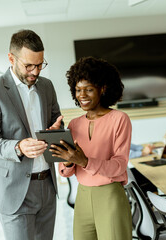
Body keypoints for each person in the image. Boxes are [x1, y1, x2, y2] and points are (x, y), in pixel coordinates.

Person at [0, 29, 63, 240]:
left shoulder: (47, 87)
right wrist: (18, 147)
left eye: (40, 64)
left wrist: (56, 131)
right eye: (29, 65)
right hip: (13, 190)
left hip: (47, 186)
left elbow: (57, 122)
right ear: (11, 58)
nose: (35, 71)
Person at [52, 57, 132, 240]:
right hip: (82, 196)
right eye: (78, 90)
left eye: (88, 89)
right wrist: (58, 144)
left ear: (102, 88)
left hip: (110, 194)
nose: (82, 95)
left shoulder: (119, 119)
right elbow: (65, 172)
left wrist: (85, 161)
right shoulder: (74, 124)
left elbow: (119, 165)